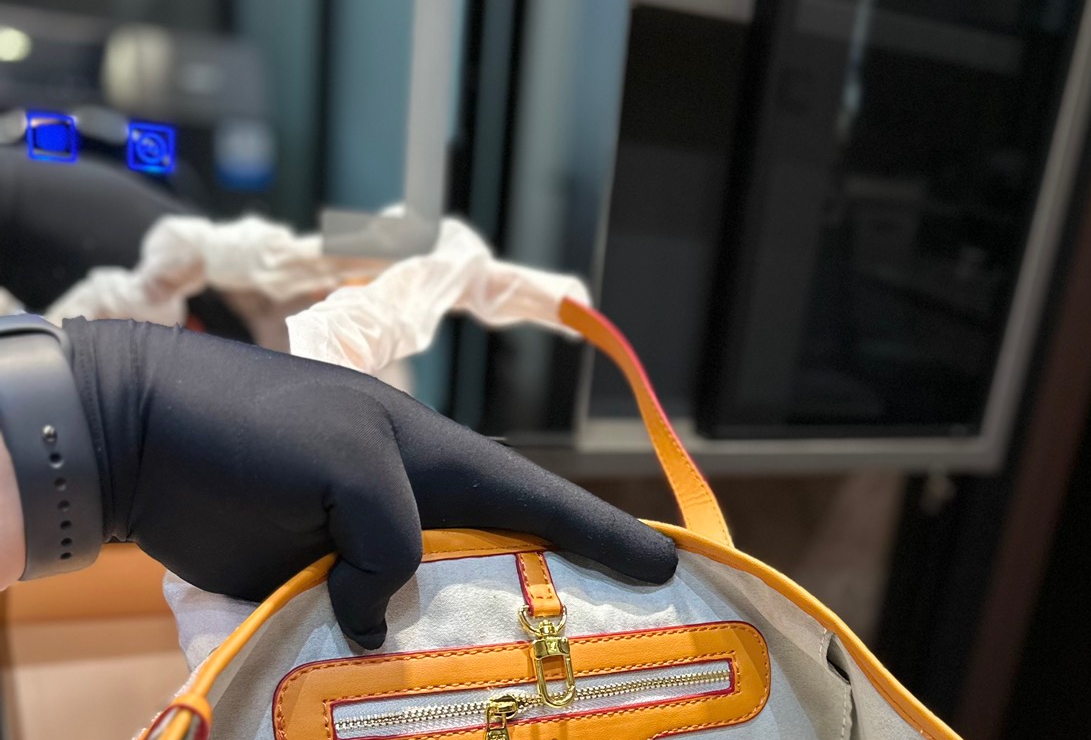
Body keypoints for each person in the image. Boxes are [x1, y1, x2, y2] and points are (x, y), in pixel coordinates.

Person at [0, 159, 676, 646]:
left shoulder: (200, 262)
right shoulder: (166, 261)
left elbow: (408, 244)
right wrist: (111, 414)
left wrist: (109, 416)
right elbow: (407, 245)